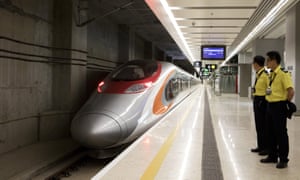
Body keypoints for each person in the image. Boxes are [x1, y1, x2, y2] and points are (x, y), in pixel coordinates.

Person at [260, 51, 295, 169]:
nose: (266, 63)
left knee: (280, 133)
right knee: (270, 132)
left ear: (274, 60)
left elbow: (290, 91)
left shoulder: (283, 73)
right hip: (270, 105)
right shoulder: (271, 73)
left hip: (279, 106)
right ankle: (272, 155)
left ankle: (283, 159)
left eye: (268, 60)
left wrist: (286, 103)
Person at [251, 55, 269, 156]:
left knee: (264, 125)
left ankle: (266, 147)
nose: (252, 65)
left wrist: (265, 100)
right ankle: (260, 146)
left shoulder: (266, 74)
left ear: (256, 64)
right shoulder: (258, 74)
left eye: (253, 63)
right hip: (257, 100)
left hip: (263, 101)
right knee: (259, 125)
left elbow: (270, 88)